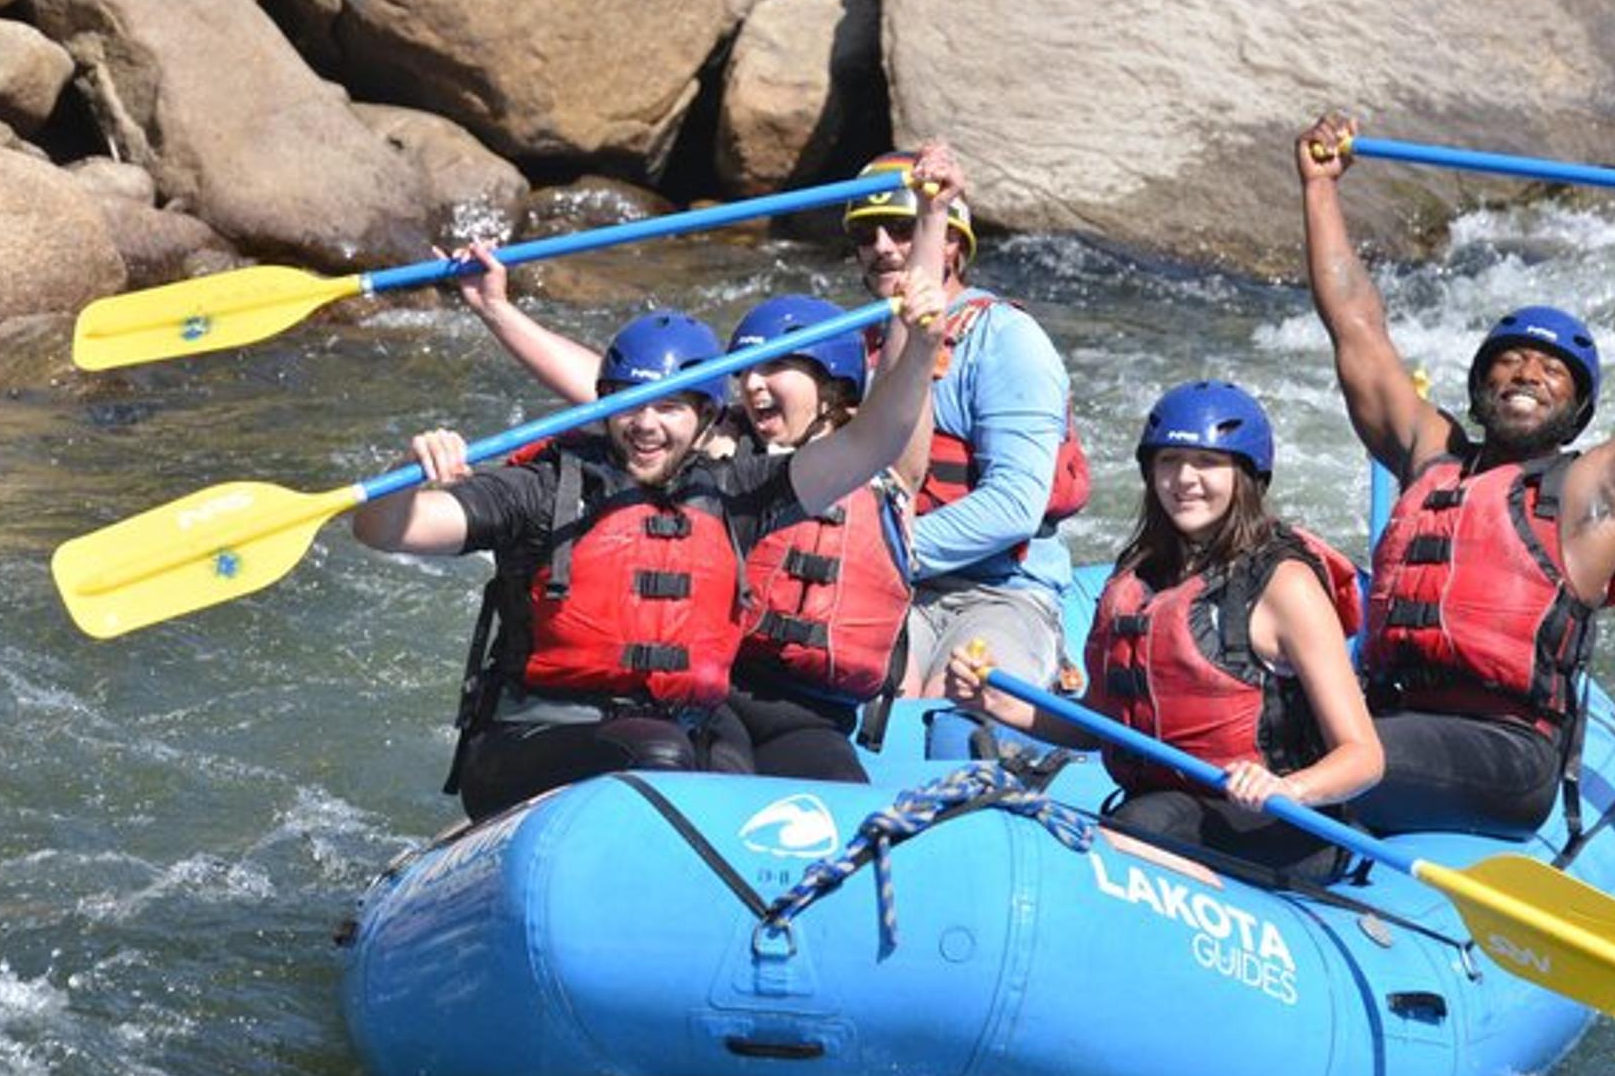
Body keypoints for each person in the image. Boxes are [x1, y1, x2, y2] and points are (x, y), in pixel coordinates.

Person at [352, 173, 954, 822]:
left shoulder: (735, 491)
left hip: (719, 716)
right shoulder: (545, 488)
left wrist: (923, 336)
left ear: (700, 420)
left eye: (671, 408)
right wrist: (411, 472)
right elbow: (383, 528)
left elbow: (878, 435)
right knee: (671, 754)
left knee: (725, 766)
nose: (647, 424)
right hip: (542, 736)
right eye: (634, 406)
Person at [1297, 111, 1615, 837]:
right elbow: (1354, 324)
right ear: (1480, 383)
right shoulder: (1429, 453)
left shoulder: (1595, 492)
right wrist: (1320, 189)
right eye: (1510, 359)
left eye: (1552, 371)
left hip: (1505, 754)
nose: (1527, 373)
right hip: (1385, 716)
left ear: (1575, 411)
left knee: (1325, 746)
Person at [440, 271, 924, 784]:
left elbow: (901, 396)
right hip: (714, 695)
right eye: (746, 370)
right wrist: (497, 310)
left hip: (809, 715)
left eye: (777, 366)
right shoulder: (721, 455)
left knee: (834, 793)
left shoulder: (878, 470)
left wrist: (922, 322)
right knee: (700, 767)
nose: (754, 383)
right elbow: (628, 392)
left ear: (836, 389)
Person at [946, 381, 1383, 878]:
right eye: (1170, 460)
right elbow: (1104, 725)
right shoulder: (1140, 573)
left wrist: (1289, 789)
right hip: (1162, 809)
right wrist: (1000, 703)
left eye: (1207, 462)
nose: (1184, 479)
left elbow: (1363, 756)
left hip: (1275, 823)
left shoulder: (1285, 584)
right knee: (1146, 817)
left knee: (1147, 822)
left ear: (1246, 475)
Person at [842, 150, 1090, 698]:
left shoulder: (1005, 339)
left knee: (962, 700)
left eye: (903, 229)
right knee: (869, 691)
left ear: (950, 242)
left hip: (1001, 593)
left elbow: (1014, 506)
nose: (882, 246)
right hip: (895, 587)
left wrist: (872, 550)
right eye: (867, 233)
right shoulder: (854, 349)